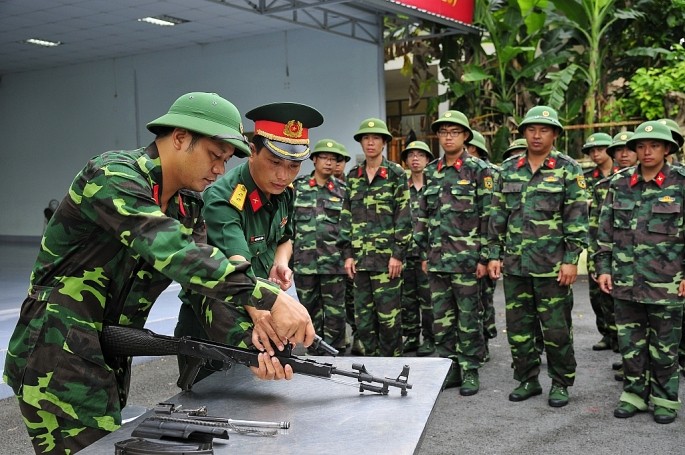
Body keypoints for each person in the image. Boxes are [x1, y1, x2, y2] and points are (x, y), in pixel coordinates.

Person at [3, 92, 315, 454]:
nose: (219, 170)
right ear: (180, 137)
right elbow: (175, 252)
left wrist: (253, 348)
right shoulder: (113, 175)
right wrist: (269, 296)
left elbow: (202, 289)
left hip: (108, 353)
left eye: (226, 161)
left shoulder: (187, 205)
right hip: (56, 353)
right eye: (215, 156)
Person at [175, 102, 323, 381]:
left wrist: (280, 263)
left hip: (264, 309)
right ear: (252, 152)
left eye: (293, 166)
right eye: (275, 163)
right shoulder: (223, 198)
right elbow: (237, 264)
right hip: (215, 318)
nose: (283, 175)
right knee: (207, 409)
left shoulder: (283, 191)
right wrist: (262, 316)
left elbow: (286, 236)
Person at [488, 105, 588, 408]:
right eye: (531, 129)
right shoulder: (508, 169)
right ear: (523, 134)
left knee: (556, 329)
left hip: (552, 267)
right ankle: (527, 379)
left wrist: (571, 259)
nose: (536, 135)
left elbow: (576, 218)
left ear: (554, 134)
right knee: (518, 329)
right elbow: (497, 216)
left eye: (543, 129)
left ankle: (560, 382)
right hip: (516, 266)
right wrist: (494, 254)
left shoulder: (569, 169)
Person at [596, 121, 684, 424]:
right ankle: (633, 394)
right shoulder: (619, 185)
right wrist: (603, 268)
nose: (647, 152)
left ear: (667, 149)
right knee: (630, 343)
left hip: (667, 282)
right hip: (625, 280)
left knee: (664, 346)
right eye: (642, 146)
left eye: (655, 146)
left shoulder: (681, 183)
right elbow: (604, 232)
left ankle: (664, 399)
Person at [414, 111, 493, 395]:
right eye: (444, 131)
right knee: (442, 319)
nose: (448, 136)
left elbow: (489, 216)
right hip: (436, 260)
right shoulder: (432, 170)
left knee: (469, 317)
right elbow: (423, 215)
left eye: (454, 132)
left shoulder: (478, 169)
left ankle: (470, 369)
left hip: (468, 261)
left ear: (465, 137)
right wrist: (423, 253)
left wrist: (486, 257)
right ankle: (449, 368)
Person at [338, 117, 412, 357]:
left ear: (384, 143)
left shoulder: (396, 174)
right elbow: (346, 216)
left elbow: (404, 215)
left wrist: (398, 255)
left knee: (389, 321)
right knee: (364, 322)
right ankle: (373, 368)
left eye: (375, 138)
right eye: (366, 138)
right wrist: (347, 255)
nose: (370, 143)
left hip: (387, 263)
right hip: (360, 262)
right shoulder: (354, 176)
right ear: (361, 143)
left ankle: (393, 367)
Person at [587, 131, 636, 381]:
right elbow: (598, 223)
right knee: (610, 303)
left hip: (647, 262)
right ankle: (621, 350)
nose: (623, 154)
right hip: (610, 253)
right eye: (618, 150)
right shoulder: (603, 184)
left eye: (628, 149)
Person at [291, 139, 349, 353]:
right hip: (304, 264)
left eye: (333, 159)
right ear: (314, 159)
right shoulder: (298, 188)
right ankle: (315, 352)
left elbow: (349, 226)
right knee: (309, 311)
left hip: (334, 263)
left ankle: (336, 353)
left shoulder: (343, 190)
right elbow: (288, 226)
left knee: (335, 312)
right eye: (324, 157)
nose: (329, 162)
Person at [582, 132, 620, 352]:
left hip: (617, 241)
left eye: (600, 149)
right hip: (594, 239)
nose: (596, 153)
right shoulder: (586, 178)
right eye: (592, 150)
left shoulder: (621, 175)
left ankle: (619, 336)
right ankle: (606, 332)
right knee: (596, 292)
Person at [399, 140, 435, 356]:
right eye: (411, 155)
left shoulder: (435, 186)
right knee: (407, 298)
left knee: (428, 299)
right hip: (405, 253)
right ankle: (412, 336)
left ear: (427, 160)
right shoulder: (402, 187)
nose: (415, 159)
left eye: (420, 155)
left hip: (427, 254)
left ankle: (430, 338)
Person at [466, 130, 500, 357]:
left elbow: (493, 213)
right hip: (468, 248)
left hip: (486, 245)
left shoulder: (492, 173)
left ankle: (485, 338)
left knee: (484, 298)